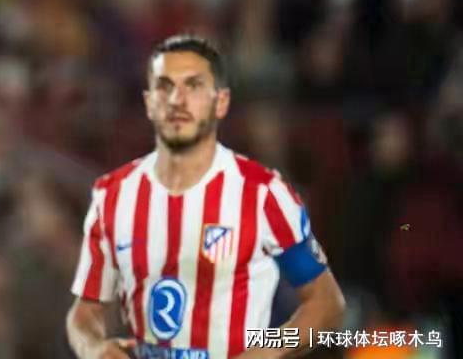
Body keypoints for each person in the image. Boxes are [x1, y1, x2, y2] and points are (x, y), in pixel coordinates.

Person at [66, 35, 345, 359]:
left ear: (220, 102)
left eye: (193, 86)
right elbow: (85, 311)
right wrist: (93, 346)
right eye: (165, 86)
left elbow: (326, 303)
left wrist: (266, 351)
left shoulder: (263, 194)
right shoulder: (113, 195)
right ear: (149, 102)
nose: (177, 100)